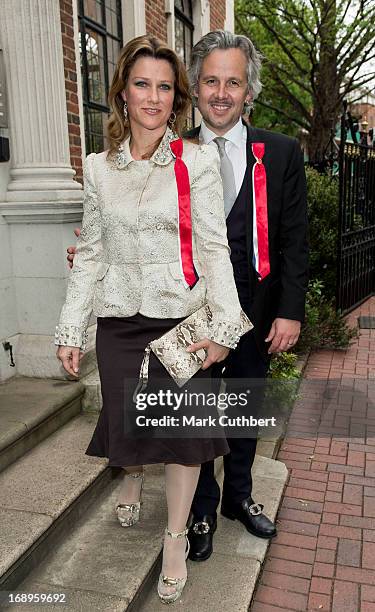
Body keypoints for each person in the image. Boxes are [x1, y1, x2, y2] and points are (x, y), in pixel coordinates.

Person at [66, 30, 309, 562]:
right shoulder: (172, 152)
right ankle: (199, 510)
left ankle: (238, 498)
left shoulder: (282, 152)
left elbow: (295, 240)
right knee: (188, 419)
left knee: (242, 410)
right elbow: (120, 224)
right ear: (193, 90)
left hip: (252, 306)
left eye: (234, 82)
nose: (221, 93)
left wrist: (290, 310)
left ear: (249, 91)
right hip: (181, 309)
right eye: (210, 81)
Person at [55, 34, 245, 603]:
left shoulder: (196, 160)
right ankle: (131, 480)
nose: (154, 97)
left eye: (165, 87)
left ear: (176, 98)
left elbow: (214, 248)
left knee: (185, 438)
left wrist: (223, 328)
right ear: (122, 94)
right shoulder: (96, 168)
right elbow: (90, 252)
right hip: (118, 318)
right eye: (142, 84)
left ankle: (174, 537)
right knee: (129, 422)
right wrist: (70, 328)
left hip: (177, 318)